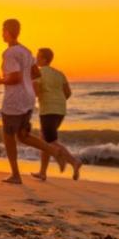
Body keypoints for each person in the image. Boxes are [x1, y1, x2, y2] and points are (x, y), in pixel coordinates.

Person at [0, 19, 66, 184]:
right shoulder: (26, 51)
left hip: (14, 100)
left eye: (3, 30)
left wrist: (0, 81)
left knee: (9, 137)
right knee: (23, 135)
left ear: (8, 31)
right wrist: (24, 80)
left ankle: (15, 175)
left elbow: (15, 78)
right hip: (28, 98)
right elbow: (36, 74)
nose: (1, 34)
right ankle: (54, 151)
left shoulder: (10, 53)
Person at [32, 48, 82, 181]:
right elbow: (68, 93)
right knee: (45, 140)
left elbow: (36, 92)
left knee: (50, 141)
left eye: (38, 57)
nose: (36, 59)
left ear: (44, 59)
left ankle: (74, 161)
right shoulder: (59, 74)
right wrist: (57, 101)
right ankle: (42, 172)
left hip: (48, 110)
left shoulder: (38, 73)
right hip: (60, 110)